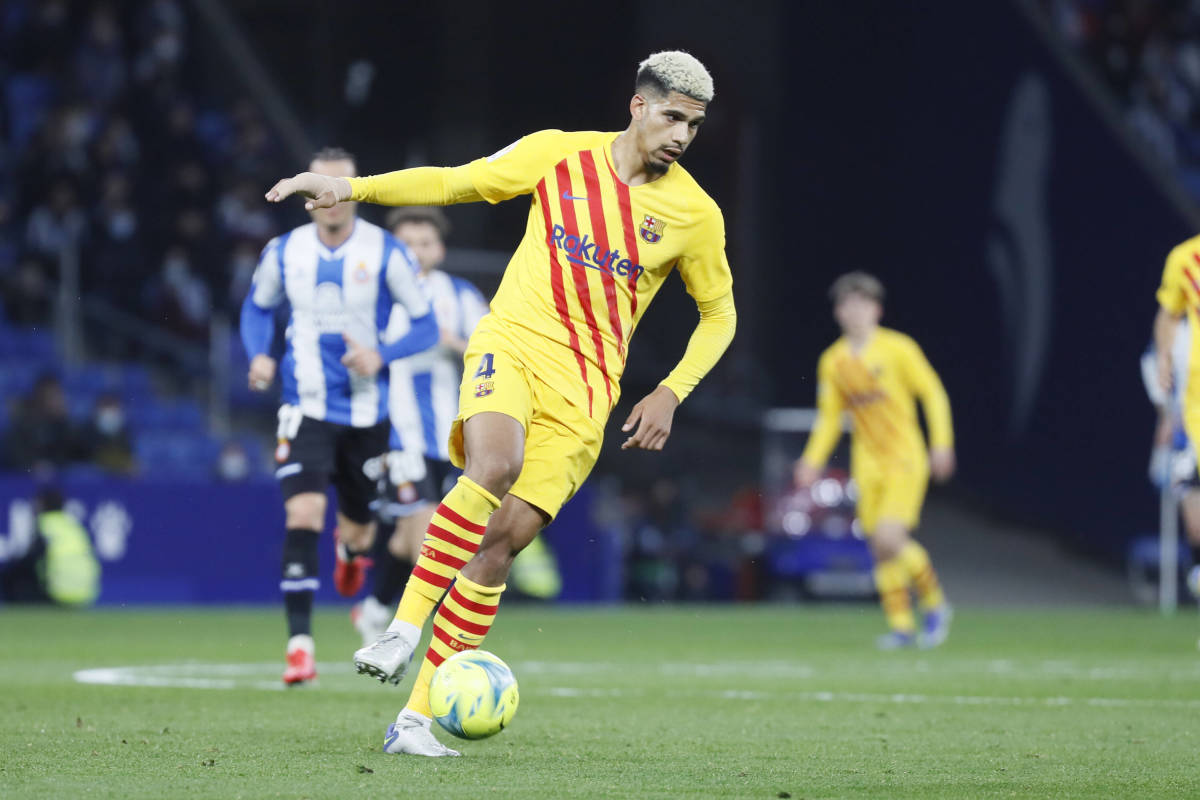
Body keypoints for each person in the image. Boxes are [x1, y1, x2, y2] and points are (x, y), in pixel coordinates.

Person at [267, 51, 736, 755]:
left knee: (501, 544)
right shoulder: (557, 156)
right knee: (492, 465)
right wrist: (351, 190)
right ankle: (401, 627)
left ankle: (415, 721)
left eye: (694, 126)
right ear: (639, 106)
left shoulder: (694, 214)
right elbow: (457, 183)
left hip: (586, 392)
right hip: (511, 344)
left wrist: (670, 391)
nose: (681, 135)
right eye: (672, 116)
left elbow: (719, 315)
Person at [241, 146, 437, 686]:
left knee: (358, 527)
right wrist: (259, 353)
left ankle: (352, 550)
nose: (328, 197)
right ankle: (299, 646)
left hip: (368, 412)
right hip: (304, 406)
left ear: (355, 188)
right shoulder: (284, 252)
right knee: (302, 515)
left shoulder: (386, 251)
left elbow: (423, 323)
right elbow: (257, 307)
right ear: (307, 189)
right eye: (318, 186)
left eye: (340, 186)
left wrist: (381, 355)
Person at [793, 272, 954, 650]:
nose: (855, 312)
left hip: (904, 458)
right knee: (879, 547)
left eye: (862, 304)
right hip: (868, 464)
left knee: (889, 537)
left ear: (877, 310)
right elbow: (830, 417)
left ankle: (936, 604)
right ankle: (901, 627)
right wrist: (811, 460)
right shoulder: (832, 361)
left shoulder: (898, 349)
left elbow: (932, 393)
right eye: (847, 304)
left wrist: (941, 443)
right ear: (838, 312)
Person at [352, 207, 490, 645]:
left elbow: (492, 354)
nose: (415, 252)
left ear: (440, 249)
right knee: (428, 528)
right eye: (406, 244)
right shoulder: (375, 297)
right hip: (398, 435)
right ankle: (429, 634)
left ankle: (374, 608)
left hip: (452, 437)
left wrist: (453, 342)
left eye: (424, 243)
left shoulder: (461, 295)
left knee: (410, 534)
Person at [1152, 239, 1200, 598]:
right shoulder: (1185, 259)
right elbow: (1169, 314)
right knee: (1193, 510)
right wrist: (1165, 356)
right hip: (1197, 407)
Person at [1141, 319, 1200, 599]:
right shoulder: (1175, 326)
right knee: (1194, 521)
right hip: (1186, 439)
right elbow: (1152, 363)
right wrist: (1166, 413)